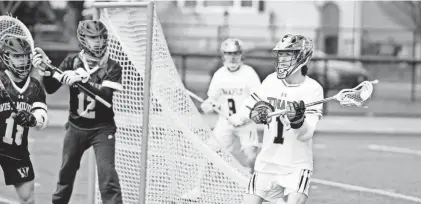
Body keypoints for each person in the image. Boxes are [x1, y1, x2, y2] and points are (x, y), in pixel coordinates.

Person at [32, 20, 123, 204]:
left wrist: (82, 80)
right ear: (83, 39)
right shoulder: (71, 61)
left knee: (108, 178)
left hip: (102, 129)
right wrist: (44, 70)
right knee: (65, 174)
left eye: (100, 37)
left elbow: (105, 99)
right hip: (76, 128)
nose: (97, 42)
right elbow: (50, 88)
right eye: (92, 38)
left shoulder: (113, 67)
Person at [229, 34, 324, 204]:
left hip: (296, 166)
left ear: (302, 56)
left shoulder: (313, 89)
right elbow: (250, 105)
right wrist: (242, 117)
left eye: (288, 54)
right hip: (266, 162)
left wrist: (297, 120)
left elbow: (307, 133)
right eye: (280, 54)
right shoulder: (271, 81)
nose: (282, 59)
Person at [0, 36, 48, 204]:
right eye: (17, 56)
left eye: (24, 56)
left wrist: (32, 119)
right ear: (6, 57)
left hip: (16, 151)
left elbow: (42, 117)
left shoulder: (35, 86)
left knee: (28, 198)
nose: (22, 60)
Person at [201, 38, 261, 170]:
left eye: (235, 53)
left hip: (246, 123)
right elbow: (212, 99)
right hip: (225, 122)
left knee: (251, 155)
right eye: (228, 53)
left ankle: (253, 184)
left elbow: (258, 98)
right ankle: (202, 187)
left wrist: (242, 117)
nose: (232, 57)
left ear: (241, 54)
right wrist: (208, 106)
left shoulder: (249, 73)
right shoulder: (219, 75)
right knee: (210, 154)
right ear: (224, 55)